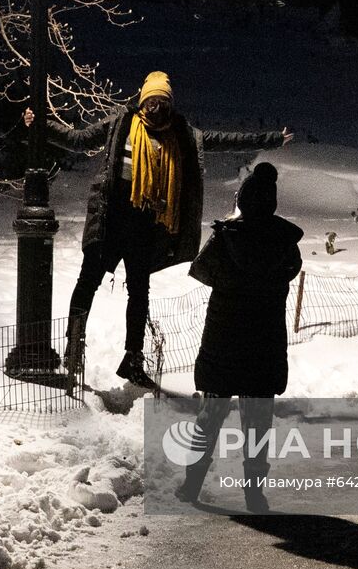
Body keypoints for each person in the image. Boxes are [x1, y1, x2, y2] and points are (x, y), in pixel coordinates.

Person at [24, 71, 292, 388]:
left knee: (139, 294)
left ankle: (133, 360)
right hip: (109, 220)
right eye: (151, 101)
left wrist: (269, 139)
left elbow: (222, 140)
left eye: (161, 102)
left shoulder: (179, 134)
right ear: (142, 100)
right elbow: (78, 141)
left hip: (144, 226)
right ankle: (74, 347)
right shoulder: (120, 124)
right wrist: (39, 125)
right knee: (88, 282)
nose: (155, 108)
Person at [175, 162, 303, 513]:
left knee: (209, 418)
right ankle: (254, 494)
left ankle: (191, 485)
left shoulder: (225, 237)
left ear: (243, 200)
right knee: (258, 423)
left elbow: (200, 270)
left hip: (223, 341)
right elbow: (291, 270)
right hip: (264, 345)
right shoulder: (285, 243)